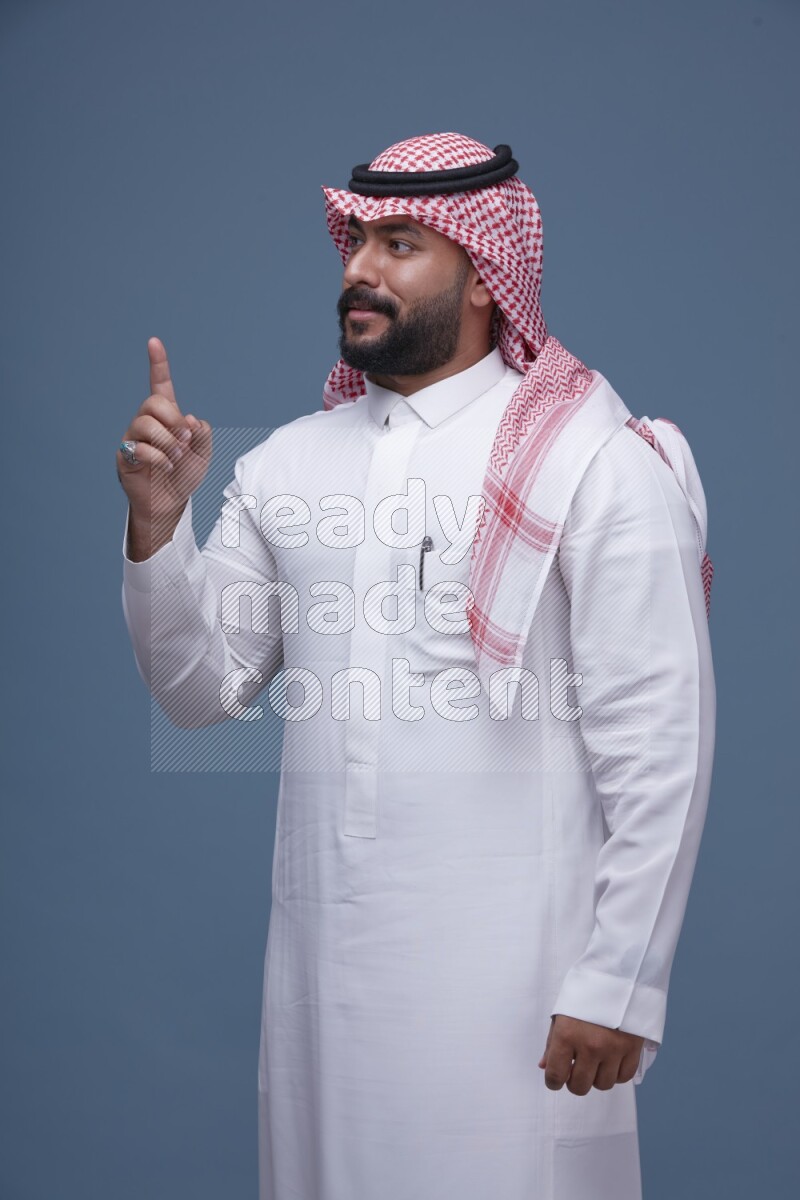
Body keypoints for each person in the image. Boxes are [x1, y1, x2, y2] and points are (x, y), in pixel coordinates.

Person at [118, 133, 716, 1200]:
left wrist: (619, 980)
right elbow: (199, 691)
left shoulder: (593, 458)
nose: (359, 268)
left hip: (523, 987)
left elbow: (658, 735)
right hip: (319, 996)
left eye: (399, 243)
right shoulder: (288, 463)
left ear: (486, 276)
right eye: (354, 240)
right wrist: (161, 528)